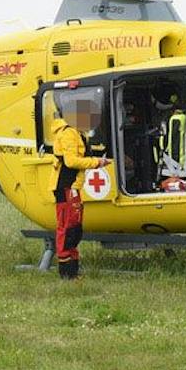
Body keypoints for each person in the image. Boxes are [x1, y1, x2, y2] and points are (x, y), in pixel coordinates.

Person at [49, 94, 110, 280]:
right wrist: (97, 162)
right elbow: (71, 161)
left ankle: (73, 269)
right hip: (65, 185)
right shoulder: (68, 133)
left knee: (75, 228)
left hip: (73, 186)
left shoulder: (78, 133)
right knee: (67, 228)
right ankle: (67, 272)